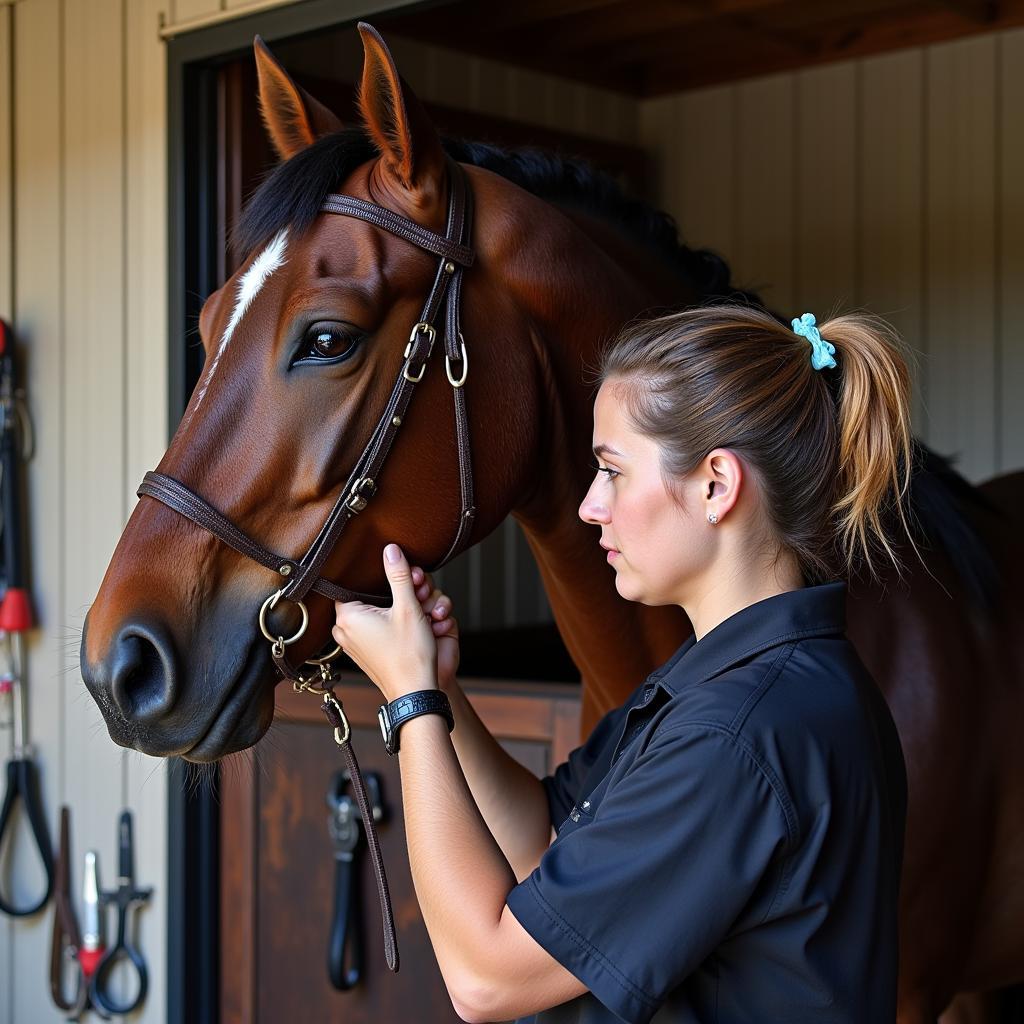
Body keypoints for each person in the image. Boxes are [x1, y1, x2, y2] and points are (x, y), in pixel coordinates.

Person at [332, 304, 912, 1023]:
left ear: (716, 486)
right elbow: (542, 848)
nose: (587, 506)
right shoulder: (740, 685)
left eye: (611, 471)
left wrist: (409, 700)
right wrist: (443, 691)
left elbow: (487, 980)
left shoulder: (735, 736)